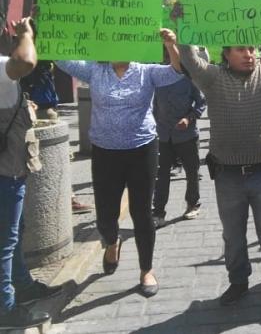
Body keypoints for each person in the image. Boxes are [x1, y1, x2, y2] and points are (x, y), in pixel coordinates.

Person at [174, 0, 261, 320]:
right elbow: (191, 60)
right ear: (226, 54)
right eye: (240, 48)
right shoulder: (211, 78)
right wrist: (182, 25)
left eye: (252, 48)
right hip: (228, 176)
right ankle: (238, 282)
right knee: (233, 236)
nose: (249, 53)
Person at [56, 30, 182, 298]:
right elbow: (61, 59)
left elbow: (176, 72)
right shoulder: (95, 71)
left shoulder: (146, 71)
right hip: (105, 154)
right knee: (105, 215)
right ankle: (112, 242)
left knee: (142, 213)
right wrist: (48, 24)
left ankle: (146, 270)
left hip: (142, 151)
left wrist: (171, 46)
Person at [0, 18, 62, 329]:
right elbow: (25, 60)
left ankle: (22, 285)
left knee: (13, 232)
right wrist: (26, 33)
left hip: (11, 168)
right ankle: (5, 308)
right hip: (4, 172)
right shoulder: (2, 67)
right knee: (4, 240)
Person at [152, 64, 206, 228]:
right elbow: (153, 105)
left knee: (191, 171)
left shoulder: (189, 79)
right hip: (163, 135)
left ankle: (193, 204)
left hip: (186, 135)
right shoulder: (157, 78)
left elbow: (201, 103)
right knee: (161, 175)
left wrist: (189, 119)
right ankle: (158, 212)